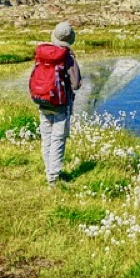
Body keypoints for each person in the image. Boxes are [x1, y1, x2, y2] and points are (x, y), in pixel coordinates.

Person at [36, 21, 81, 187]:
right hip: (60, 104)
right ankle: (53, 178)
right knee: (58, 139)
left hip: (42, 101)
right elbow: (76, 84)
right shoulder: (67, 57)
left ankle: (49, 170)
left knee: (46, 137)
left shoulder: (43, 53)